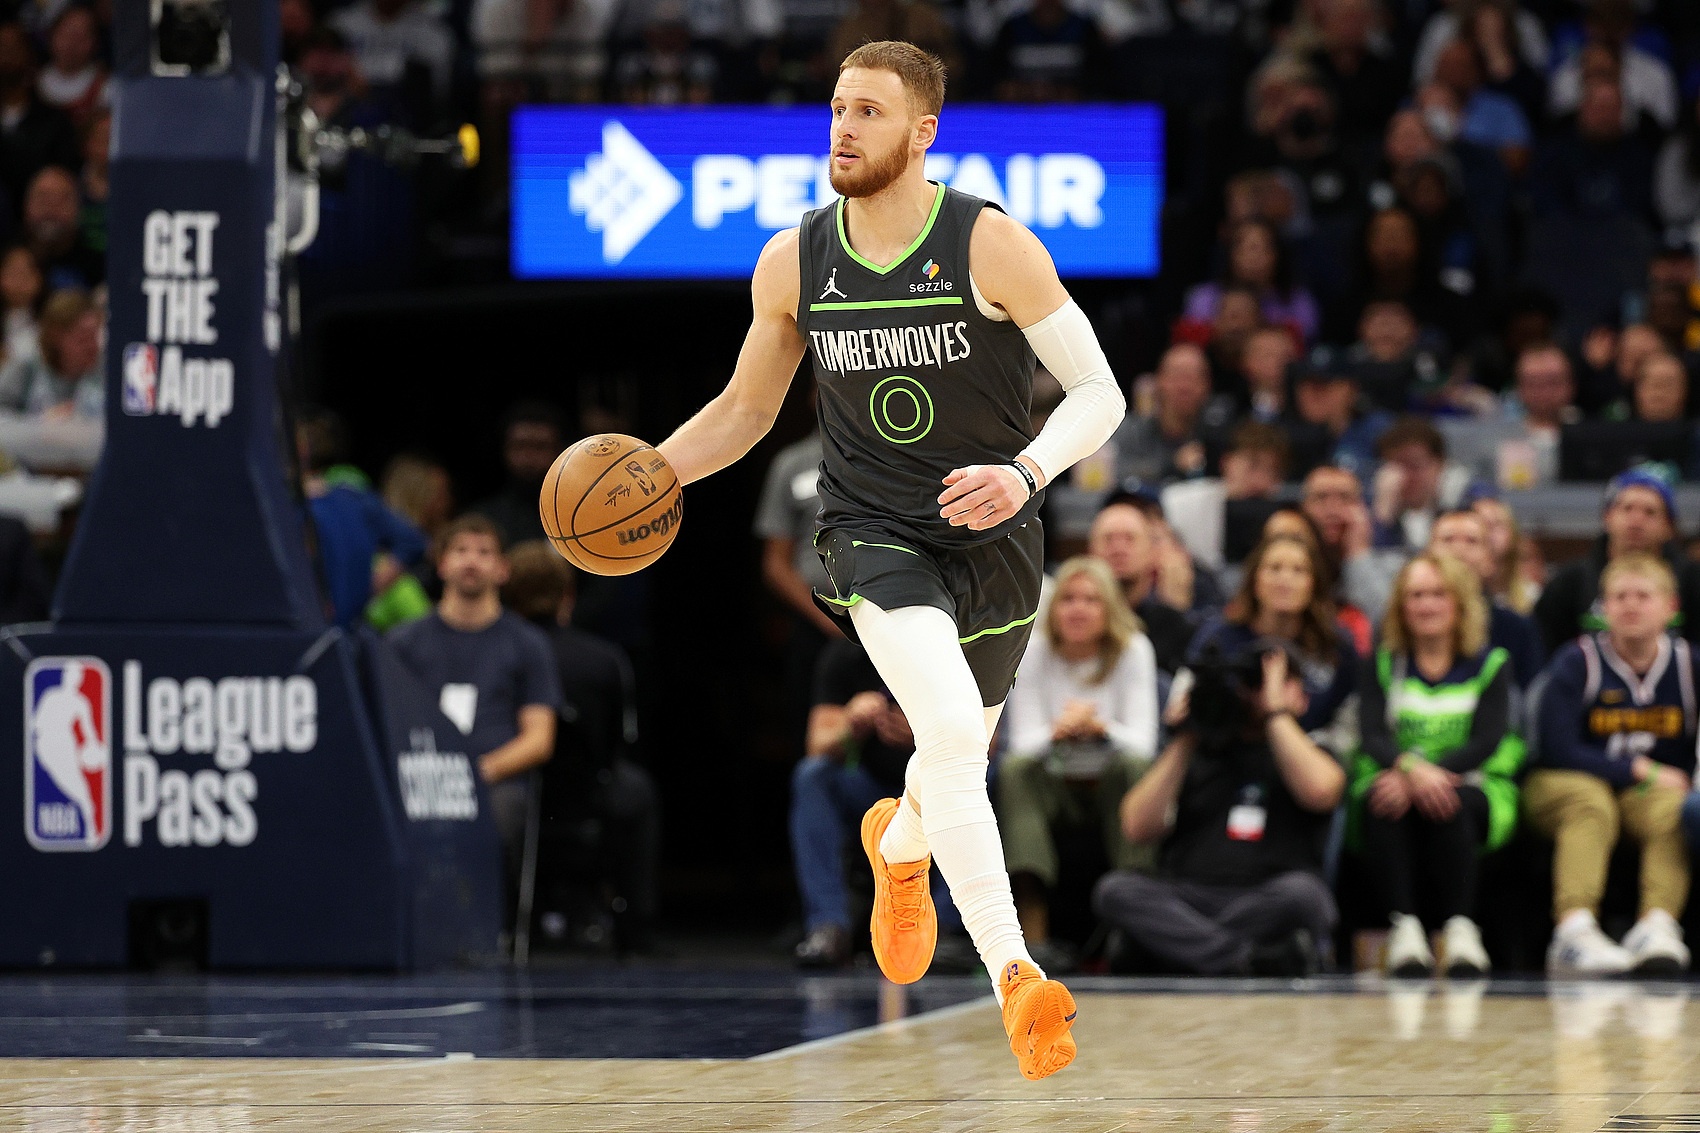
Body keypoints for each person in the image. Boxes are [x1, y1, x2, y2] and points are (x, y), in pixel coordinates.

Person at [654, 41, 1127, 1080]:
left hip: (996, 532)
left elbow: (1101, 393)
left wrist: (1028, 471)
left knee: (957, 759)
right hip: (870, 530)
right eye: (836, 108)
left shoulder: (989, 242)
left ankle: (901, 846)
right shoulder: (793, 259)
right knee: (950, 729)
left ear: (922, 132)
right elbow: (743, 412)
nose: (843, 128)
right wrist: (654, 471)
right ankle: (1015, 975)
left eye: (868, 111)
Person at [1094, 638, 1344, 976]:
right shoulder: (1194, 753)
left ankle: (1180, 951)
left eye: (1276, 682)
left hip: (1265, 896)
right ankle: (1247, 959)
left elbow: (1322, 792)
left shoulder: (1314, 751)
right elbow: (1136, 827)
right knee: (1116, 890)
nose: (1259, 694)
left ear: (1303, 698)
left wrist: (1275, 713)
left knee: (1305, 896)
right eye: (1251, 684)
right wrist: (1186, 735)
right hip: (1189, 896)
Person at [1349, 553, 1524, 978]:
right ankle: (1404, 930)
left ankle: (1461, 930)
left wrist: (1431, 776)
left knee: (1452, 802)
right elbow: (1372, 735)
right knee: (1383, 801)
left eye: (1438, 594)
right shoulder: (1383, 663)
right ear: (1401, 606)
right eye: (1416, 596)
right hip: (1397, 776)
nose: (1427, 605)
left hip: (1472, 780)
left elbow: (1487, 740)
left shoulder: (1491, 664)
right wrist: (1412, 771)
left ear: (1459, 603)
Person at [1526, 553, 1695, 976]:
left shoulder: (1688, 665)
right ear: (1603, 608)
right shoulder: (1577, 660)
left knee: (1672, 809)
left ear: (1671, 607)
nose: (1630, 605)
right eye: (1619, 597)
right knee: (1591, 801)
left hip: (1643, 792)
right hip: (1561, 783)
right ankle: (1573, 931)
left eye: (1643, 596)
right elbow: (1558, 748)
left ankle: (1657, 925)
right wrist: (1638, 769)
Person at [503, 542, 662, 955]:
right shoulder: (604, 659)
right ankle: (637, 930)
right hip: (574, 799)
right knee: (635, 788)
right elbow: (621, 743)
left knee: (633, 789)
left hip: (519, 789)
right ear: (568, 596)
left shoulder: (497, 653)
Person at [1000, 557, 1158, 969]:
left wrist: (1100, 728)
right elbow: (1021, 745)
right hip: (1054, 782)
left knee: (1135, 769)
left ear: (1110, 609)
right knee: (1015, 773)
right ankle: (1032, 933)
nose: (1078, 609)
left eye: (1091, 600)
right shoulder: (1033, 650)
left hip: (1111, 783)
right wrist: (1059, 730)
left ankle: (1133, 928)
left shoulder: (1134, 649)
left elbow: (1143, 744)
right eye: (1068, 599)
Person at [387, 515, 560, 876]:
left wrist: (480, 772)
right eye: (461, 550)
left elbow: (539, 739)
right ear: (442, 564)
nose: (471, 560)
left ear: (502, 569)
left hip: (494, 783)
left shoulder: (527, 644)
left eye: (484, 552)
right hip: (420, 778)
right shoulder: (403, 643)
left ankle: (494, 913)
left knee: (503, 814)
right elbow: (387, 722)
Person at [1189, 533, 1358, 735]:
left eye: (1299, 570)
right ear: (1254, 580)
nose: (1285, 579)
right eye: (1274, 568)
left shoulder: (1336, 645)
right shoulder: (1217, 637)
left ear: (1314, 584)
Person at [1534, 469, 1700, 654]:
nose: (1636, 521)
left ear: (1668, 526)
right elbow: (1545, 653)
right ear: (1607, 517)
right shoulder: (1569, 583)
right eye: (1627, 508)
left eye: (1650, 512)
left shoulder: (1693, 581)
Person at [297, 407, 428, 630]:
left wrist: (361, 592)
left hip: (337, 630)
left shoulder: (349, 498)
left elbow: (412, 542)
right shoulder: (274, 501)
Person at [1430, 508, 1544, 690]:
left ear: (1489, 561)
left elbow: (1531, 695)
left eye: (1471, 541)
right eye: (1448, 539)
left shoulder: (1516, 629)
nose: (1459, 550)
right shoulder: (1406, 620)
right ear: (1427, 553)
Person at [1085, 497, 1195, 674]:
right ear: (1090, 552)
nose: (1119, 549)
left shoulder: (1174, 624)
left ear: (1151, 551)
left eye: (1130, 539)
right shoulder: (1073, 622)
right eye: (1108, 539)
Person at [1112, 343, 1233, 486]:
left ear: (1207, 385)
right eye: (1177, 376)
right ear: (1158, 381)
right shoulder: (1131, 430)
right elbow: (1114, 473)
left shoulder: (1222, 431)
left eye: (1193, 377)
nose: (1184, 387)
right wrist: (1172, 464)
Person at [471, 402, 562, 548]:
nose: (529, 456)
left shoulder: (577, 517)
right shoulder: (483, 518)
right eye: (521, 445)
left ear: (558, 451)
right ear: (505, 449)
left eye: (540, 447)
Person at [0, 286, 97, 417]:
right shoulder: (26, 368)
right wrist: (38, 422)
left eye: (94, 337)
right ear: (56, 336)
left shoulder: (105, 371)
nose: (92, 346)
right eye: (83, 339)